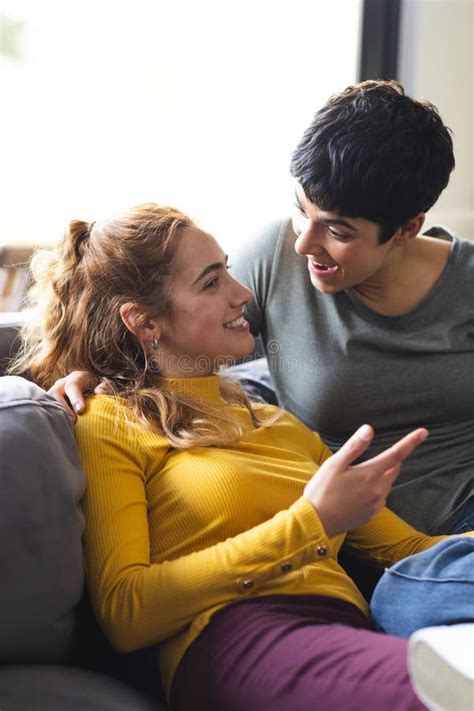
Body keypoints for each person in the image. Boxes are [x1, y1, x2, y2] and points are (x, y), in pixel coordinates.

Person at [9, 203, 473, 710]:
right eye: (211, 282)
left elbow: (415, 554)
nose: (242, 293)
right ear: (143, 321)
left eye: (228, 269)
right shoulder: (110, 420)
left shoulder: (282, 424)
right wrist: (310, 521)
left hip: (353, 625)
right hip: (237, 638)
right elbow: (126, 610)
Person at [53, 80, 474, 537]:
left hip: (459, 523)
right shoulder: (275, 257)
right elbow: (175, 329)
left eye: (338, 231)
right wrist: (97, 372)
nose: (304, 243)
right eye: (301, 210)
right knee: (404, 597)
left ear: (407, 228)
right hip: (346, 538)